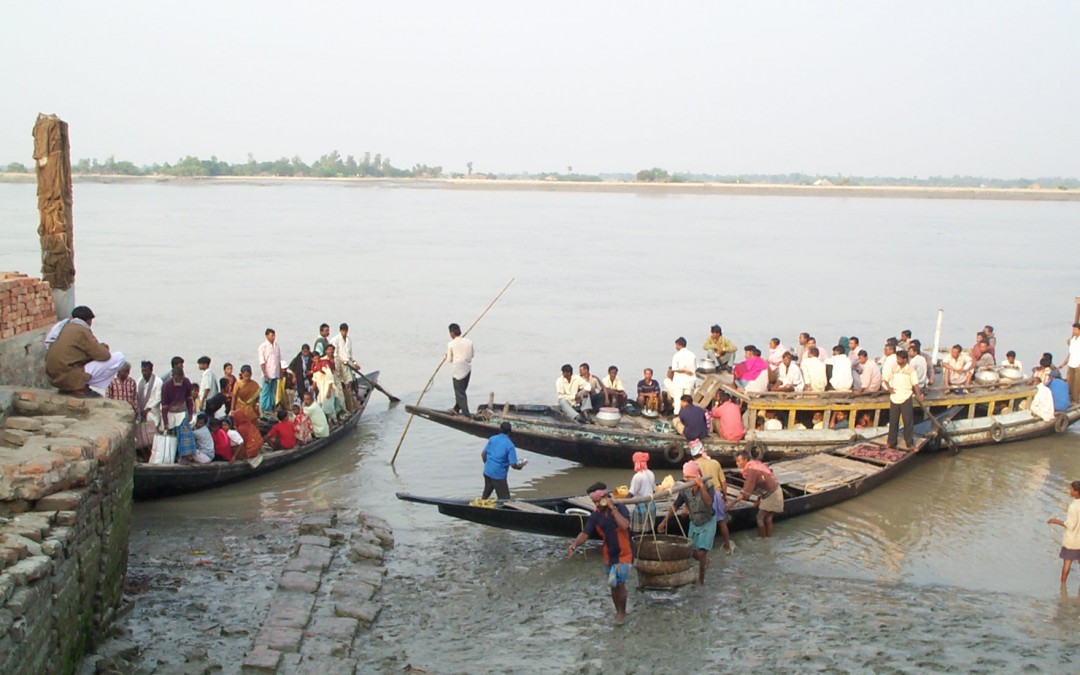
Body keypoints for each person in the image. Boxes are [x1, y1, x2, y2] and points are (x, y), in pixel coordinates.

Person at [567, 482, 633, 624]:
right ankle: (618, 610)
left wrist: (612, 509)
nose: (596, 504)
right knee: (613, 584)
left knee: (620, 584)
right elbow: (585, 533)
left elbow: (625, 525)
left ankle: (622, 612)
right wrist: (575, 544)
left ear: (605, 497)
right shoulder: (596, 515)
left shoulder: (620, 508)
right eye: (594, 502)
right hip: (609, 553)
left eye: (598, 501)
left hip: (624, 552)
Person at [44, 305, 126, 396]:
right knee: (119, 357)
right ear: (88, 320)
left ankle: (75, 386)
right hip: (68, 378)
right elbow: (104, 356)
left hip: (54, 379)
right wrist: (103, 348)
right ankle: (80, 387)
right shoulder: (82, 331)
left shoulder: (62, 327)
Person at [658, 461, 714, 586]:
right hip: (694, 521)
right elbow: (676, 505)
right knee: (691, 552)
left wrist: (702, 487)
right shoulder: (685, 489)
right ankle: (705, 561)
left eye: (690, 477)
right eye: (687, 478)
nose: (688, 480)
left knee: (702, 551)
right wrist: (664, 521)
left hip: (707, 521)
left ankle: (701, 579)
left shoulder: (708, 484)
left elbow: (709, 503)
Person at [728, 450, 784, 537]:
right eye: (736, 461)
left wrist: (731, 503)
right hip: (775, 491)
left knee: (759, 518)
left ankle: (762, 540)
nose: (737, 464)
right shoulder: (755, 464)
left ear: (745, 460)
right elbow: (759, 483)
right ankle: (768, 538)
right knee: (768, 518)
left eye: (739, 461)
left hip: (772, 494)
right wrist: (759, 500)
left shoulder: (751, 470)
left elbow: (747, 490)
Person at [694, 445, 733, 553]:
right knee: (721, 521)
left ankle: (704, 548)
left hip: (704, 494)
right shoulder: (715, 463)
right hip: (716, 493)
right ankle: (727, 545)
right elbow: (723, 482)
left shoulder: (695, 465)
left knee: (705, 522)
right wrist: (724, 496)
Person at [883, 350, 923, 451]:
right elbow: (885, 379)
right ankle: (891, 442)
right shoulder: (894, 368)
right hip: (895, 397)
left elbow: (916, 384)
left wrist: (919, 395)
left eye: (899, 359)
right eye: (897, 358)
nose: (898, 360)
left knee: (908, 421)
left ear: (905, 359)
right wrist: (889, 389)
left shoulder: (910, 370)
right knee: (893, 421)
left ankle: (910, 443)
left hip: (906, 397)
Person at [480, 421, 526, 499]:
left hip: (487, 471)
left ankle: (479, 506)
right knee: (505, 499)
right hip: (498, 475)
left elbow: (483, 454)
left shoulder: (492, 438)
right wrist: (520, 466)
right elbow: (513, 465)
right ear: (510, 432)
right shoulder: (510, 445)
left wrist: (488, 464)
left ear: (500, 429)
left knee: (486, 494)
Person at [161, 365, 196, 461]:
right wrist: (165, 421)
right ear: (173, 376)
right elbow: (164, 405)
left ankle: (185, 456)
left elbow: (189, 399)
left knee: (184, 435)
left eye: (181, 378)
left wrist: (190, 413)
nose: (179, 381)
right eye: (177, 379)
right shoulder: (166, 386)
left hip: (182, 412)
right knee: (172, 435)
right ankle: (173, 456)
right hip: (171, 413)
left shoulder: (186, 382)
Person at [1048, 481, 1080, 584]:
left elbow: (1070, 525)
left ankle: (1062, 587)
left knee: (1067, 563)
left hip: (1072, 541)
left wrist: (1056, 521)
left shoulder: (1073, 506)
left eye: (1071, 489)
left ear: (1076, 492)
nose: (1069, 491)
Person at [446, 322, 474, 416]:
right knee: (462, 391)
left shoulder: (451, 344)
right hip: (467, 370)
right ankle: (456, 409)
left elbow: (449, 360)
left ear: (452, 333)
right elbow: (472, 355)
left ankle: (467, 414)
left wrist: (448, 355)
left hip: (457, 371)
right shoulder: (469, 342)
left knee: (460, 393)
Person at [331, 322, 360, 409]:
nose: (345, 333)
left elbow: (350, 355)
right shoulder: (335, 340)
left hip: (347, 365)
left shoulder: (349, 340)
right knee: (340, 384)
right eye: (343, 331)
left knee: (348, 384)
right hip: (338, 365)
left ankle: (351, 404)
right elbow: (334, 355)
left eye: (346, 331)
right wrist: (339, 364)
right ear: (340, 331)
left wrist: (354, 363)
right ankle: (344, 406)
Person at [628, 452, 656, 531]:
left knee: (637, 531)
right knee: (648, 530)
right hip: (651, 504)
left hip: (641, 506)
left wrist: (621, 502)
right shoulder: (651, 473)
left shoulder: (637, 476)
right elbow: (654, 489)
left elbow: (631, 493)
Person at [258, 328, 283, 414]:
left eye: (274, 335)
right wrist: (265, 374)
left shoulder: (276, 346)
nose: (273, 337)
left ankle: (271, 407)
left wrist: (280, 373)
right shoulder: (263, 347)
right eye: (272, 335)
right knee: (265, 392)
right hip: (267, 373)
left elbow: (279, 360)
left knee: (273, 392)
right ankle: (264, 409)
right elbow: (262, 362)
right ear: (267, 336)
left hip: (275, 373)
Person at [669, 337, 696, 413]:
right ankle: (688, 413)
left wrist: (684, 370)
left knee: (678, 399)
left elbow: (674, 368)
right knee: (688, 400)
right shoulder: (692, 355)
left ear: (678, 345)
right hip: (690, 381)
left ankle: (677, 414)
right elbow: (696, 367)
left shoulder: (677, 355)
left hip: (679, 381)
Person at [1060, 323, 1080, 404]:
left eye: (1075, 329)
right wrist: (1063, 363)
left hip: (1078, 365)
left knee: (1077, 384)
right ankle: (1070, 399)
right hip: (1071, 364)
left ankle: (1076, 400)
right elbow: (1070, 354)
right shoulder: (1072, 340)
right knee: (1070, 383)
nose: (1073, 331)